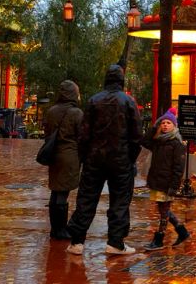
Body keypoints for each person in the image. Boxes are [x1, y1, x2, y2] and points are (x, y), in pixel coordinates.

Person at [66, 64, 143, 255]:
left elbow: (84, 134)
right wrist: (130, 159)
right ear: (121, 80)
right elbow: (136, 136)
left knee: (86, 199)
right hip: (120, 160)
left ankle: (77, 242)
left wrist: (84, 157)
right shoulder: (128, 102)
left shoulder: (94, 101)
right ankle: (116, 242)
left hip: (94, 159)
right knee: (120, 201)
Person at [140, 111, 190, 251]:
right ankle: (182, 231)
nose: (165, 125)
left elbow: (178, 167)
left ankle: (159, 239)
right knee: (163, 209)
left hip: (167, 182)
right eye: (163, 123)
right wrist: (154, 127)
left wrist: (174, 186)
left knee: (163, 211)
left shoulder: (177, 143)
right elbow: (144, 141)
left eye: (168, 123)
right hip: (157, 181)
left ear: (174, 126)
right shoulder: (158, 141)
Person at [43, 80, 83, 240]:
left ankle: (55, 228)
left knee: (55, 190)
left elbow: (46, 132)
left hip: (54, 155)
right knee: (63, 193)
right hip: (70, 156)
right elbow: (82, 136)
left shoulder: (51, 111)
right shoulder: (76, 113)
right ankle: (60, 230)